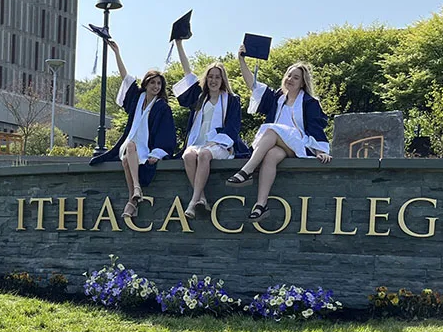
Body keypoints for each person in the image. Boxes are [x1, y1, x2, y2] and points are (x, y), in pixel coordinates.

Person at [228, 51, 332, 221]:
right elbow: (253, 85)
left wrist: (320, 150)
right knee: (271, 156)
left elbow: (315, 127)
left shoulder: (309, 102)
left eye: (296, 77)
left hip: (298, 143)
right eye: (289, 75)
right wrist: (241, 60)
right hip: (280, 145)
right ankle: (261, 205)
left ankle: (247, 170)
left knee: (271, 130)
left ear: (303, 83)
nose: (290, 79)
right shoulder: (276, 98)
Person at [89, 39, 177, 219]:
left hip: (146, 147)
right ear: (146, 84)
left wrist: (158, 153)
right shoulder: (137, 98)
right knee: (129, 147)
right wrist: (116, 53)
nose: (156, 86)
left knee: (126, 159)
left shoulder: (162, 107)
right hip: (131, 144)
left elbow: (166, 133)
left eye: (159, 84)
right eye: (152, 83)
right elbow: (126, 77)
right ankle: (136, 190)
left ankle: (133, 199)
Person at [172, 37, 247, 218]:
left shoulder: (231, 100)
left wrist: (215, 143)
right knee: (188, 155)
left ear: (223, 79)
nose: (214, 80)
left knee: (204, 154)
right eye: (211, 76)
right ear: (207, 78)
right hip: (198, 142)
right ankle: (202, 198)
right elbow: (187, 72)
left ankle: (192, 202)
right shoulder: (199, 97)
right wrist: (179, 44)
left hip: (221, 145)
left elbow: (233, 127)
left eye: (217, 77)